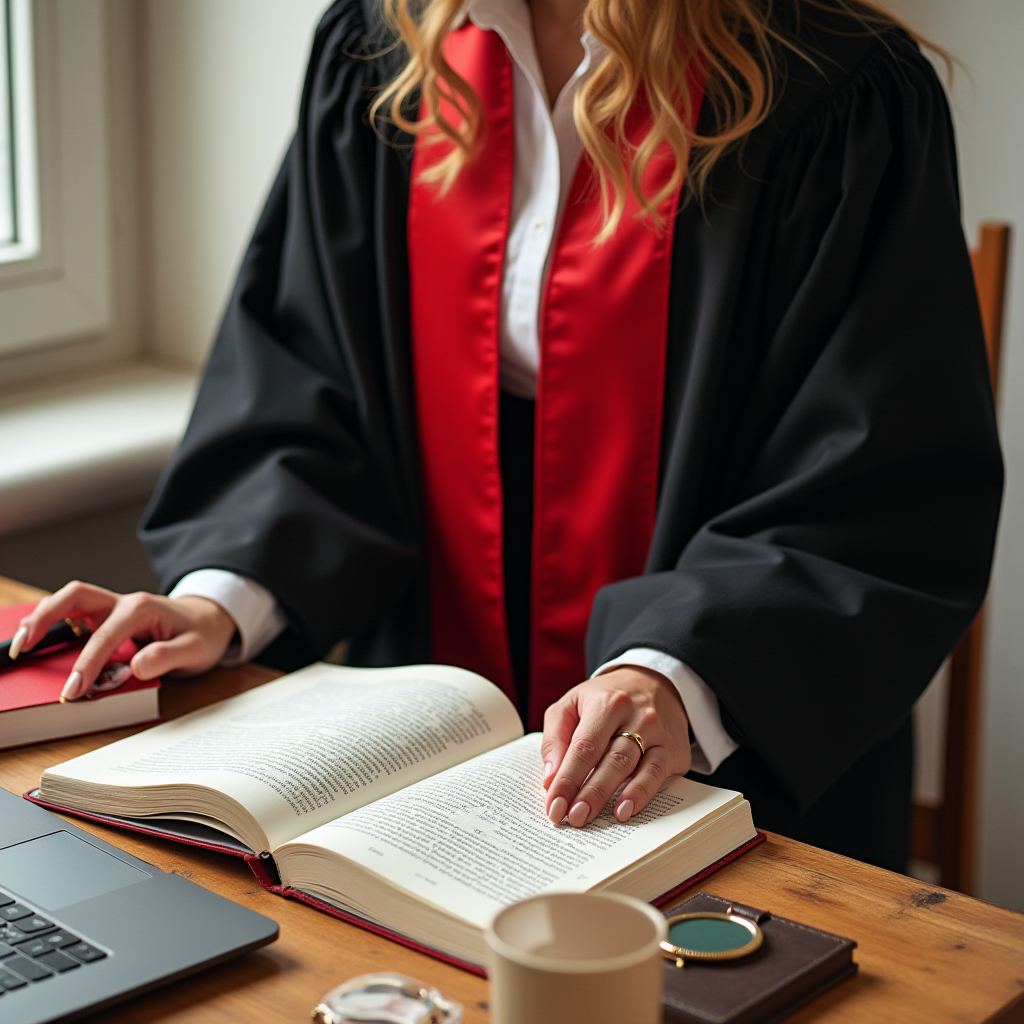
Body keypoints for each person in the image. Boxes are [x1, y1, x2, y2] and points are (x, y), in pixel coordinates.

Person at [14, 0, 1001, 872]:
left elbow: (871, 477)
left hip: (731, 739)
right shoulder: (385, 47)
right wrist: (224, 598)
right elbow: (307, 376)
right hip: (425, 733)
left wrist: (671, 673)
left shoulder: (834, 89)